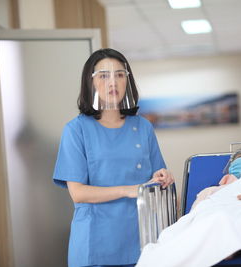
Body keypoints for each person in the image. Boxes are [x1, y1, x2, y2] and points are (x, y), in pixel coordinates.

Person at [53, 48, 174, 267]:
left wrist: (162, 177)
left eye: (119, 75)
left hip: (142, 242)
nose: (113, 82)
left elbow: (155, 180)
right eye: (104, 75)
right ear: (90, 83)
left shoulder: (143, 127)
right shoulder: (76, 130)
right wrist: (129, 190)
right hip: (96, 246)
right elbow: (78, 193)